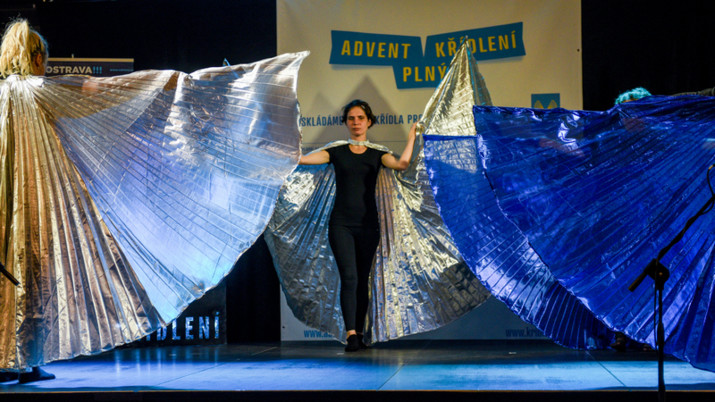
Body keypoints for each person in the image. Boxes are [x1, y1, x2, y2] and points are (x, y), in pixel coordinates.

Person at [299, 99, 417, 352]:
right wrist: (289, 138)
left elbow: (402, 165)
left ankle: (360, 334)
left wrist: (412, 138)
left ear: (369, 122)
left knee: (362, 279)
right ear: (345, 122)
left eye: (360, 118)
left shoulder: (378, 153)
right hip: (341, 225)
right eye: (351, 118)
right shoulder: (336, 151)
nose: (356, 122)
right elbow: (302, 160)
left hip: (368, 225)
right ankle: (351, 334)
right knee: (350, 277)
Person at [0, 19, 55, 383]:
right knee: (30, 276)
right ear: (35, 58)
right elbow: (96, 93)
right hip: (27, 202)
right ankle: (27, 360)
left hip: (2, 205)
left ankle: (6, 360)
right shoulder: (37, 92)